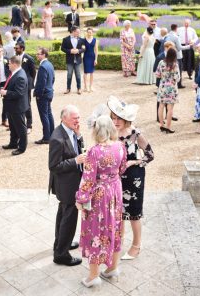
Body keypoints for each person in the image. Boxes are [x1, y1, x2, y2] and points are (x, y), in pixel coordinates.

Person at [75, 115, 126, 287]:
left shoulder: (94, 151)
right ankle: (112, 268)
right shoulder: (120, 146)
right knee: (115, 228)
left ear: (96, 130)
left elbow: (88, 179)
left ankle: (93, 276)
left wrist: (80, 198)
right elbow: (122, 168)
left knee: (95, 230)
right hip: (115, 190)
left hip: (100, 194)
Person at [107, 96, 152, 262]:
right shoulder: (110, 133)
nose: (116, 121)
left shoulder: (135, 133)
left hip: (134, 178)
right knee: (118, 212)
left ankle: (137, 245)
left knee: (134, 213)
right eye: (113, 118)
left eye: (119, 118)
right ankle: (119, 240)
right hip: (116, 178)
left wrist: (133, 161)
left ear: (126, 119)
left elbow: (150, 155)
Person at [49, 105, 86, 267]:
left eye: (78, 117)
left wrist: (79, 136)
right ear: (64, 118)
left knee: (62, 214)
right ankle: (61, 254)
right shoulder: (57, 138)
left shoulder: (71, 131)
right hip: (66, 185)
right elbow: (54, 166)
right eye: (74, 118)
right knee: (69, 219)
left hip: (71, 182)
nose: (77, 121)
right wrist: (75, 161)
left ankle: (61, 243)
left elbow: (78, 147)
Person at [1, 56, 28, 155]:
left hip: (17, 107)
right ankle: (13, 143)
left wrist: (6, 92)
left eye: (9, 63)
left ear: (15, 64)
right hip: (12, 106)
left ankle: (22, 147)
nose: (8, 64)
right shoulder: (15, 73)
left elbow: (18, 93)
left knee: (20, 128)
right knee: (13, 126)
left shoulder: (20, 76)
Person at [33, 47, 56, 144]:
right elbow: (53, 79)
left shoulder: (43, 66)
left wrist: (38, 94)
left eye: (38, 54)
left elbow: (41, 83)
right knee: (49, 114)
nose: (37, 55)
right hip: (49, 93)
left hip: (43, 95)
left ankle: (46, 137)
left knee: (44, 116)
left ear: (43, 55)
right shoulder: (49, 64)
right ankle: (52, 134)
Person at [155, 48, 180, 133]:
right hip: (172, 88)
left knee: (161, 106)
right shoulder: (175, 65)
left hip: (162, 87)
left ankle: (162, 125)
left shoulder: (161, 63)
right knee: (170, 109)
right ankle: (168, 127)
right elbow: (177, 78)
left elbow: (157, 75)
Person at [14, 42, 36, 134]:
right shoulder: (14, 58)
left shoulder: (29, 58)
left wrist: (30, 83)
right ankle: (18, 124)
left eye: (17, 48)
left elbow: (33, 72)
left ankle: (29, 125)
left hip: (26, 85)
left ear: (22, 49)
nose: (15, 49)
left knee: (27, 104)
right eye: (15, 48)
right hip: (17, 84)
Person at [61, 27, 85, 94]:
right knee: (69, 74)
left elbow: (84, 49)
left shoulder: (81, 39)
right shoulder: (65, 39)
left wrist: (78, 50)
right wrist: (70, 51)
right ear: (73, 32)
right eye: (77, 32)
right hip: (69, 60)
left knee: (78, 75)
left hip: (78, 60)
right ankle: (68, 89)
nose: (78, 33)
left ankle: (79, 88)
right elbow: (62, 48)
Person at [164, 24, 185, 88]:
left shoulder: (167, 35)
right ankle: (179, 84)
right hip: (177, 55)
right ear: (176, 28)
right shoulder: (176, 36)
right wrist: (189, 46)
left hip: (168, 54)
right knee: (178, 70)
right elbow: (179, 48)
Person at [82, 27, 98, 92]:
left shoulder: (95, 40)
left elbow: (96, 50)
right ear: (87, 32)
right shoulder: (84, 40)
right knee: (85, 72)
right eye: (88, 32)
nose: (89, 33)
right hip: (86, 56)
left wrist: (96, 59)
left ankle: (91, 86)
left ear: (92, 33)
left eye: (90, 32)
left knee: (91, 72)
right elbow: (82, 49)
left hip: (92, 57)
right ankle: (85, 87)